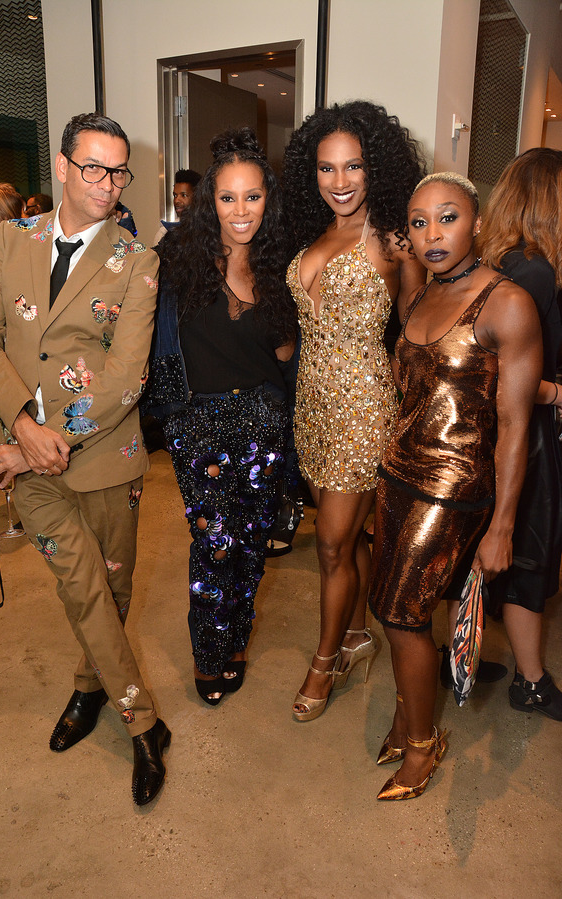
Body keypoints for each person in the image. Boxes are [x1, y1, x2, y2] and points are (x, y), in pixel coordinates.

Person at [0, 113, 170, 807]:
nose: (107, 184)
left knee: (110, 596)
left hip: (106, 457)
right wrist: (24, 430)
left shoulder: (138, 260)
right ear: (61, 165)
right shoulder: (11, 243)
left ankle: (89, 690)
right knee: (84, 588)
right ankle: (143, 725)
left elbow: (126, 378)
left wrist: (48, 442)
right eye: (93, 167)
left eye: (118, 171)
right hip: (21, 452)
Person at [367, 172, 542, 800]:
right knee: (389, 610)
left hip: (454, 487)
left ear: (475, 221)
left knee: (401, 612)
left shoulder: (506, 303)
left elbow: (516, 427)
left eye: (446, 217)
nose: (431, 233)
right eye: (418, 222)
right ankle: (405, 713)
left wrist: (500, 529)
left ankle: (421, 747)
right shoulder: (418, 296)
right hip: (397, 475)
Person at [281, 100, 426, 721]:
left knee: (333, 546)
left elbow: (421, 328)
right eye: (326, 168)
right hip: (311, 404)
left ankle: (327, 658)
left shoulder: (394, 239)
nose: (339, 182)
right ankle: (361, 631)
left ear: (376, 170)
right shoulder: (315, 232)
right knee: (348, 534)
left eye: (354, 167)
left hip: (362, 409)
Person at [146, 128, 297, 705]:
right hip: (200, 424)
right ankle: (209, 656)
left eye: (252, 196)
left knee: (253, 543)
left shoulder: (280, 263)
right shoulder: (177, 260)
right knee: (214, 544)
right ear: (210, 200)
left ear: (268, 200)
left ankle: (236, 640)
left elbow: (282, 353)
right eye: (228, 197)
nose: (241, 211)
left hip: (263, 420)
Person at [478, 148, 562, 720]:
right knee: (530, 557)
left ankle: (466, 655)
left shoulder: (504, 262)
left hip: (504, 436)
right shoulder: (534, 272)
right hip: (524, 439)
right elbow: (500, 373)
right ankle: (530, 682)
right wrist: (558, 393)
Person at [153, 168, 201, 242]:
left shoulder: (209, 231)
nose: (176, 200)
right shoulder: (164, 233)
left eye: (183, 195)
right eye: (175, 195)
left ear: (197, 197)